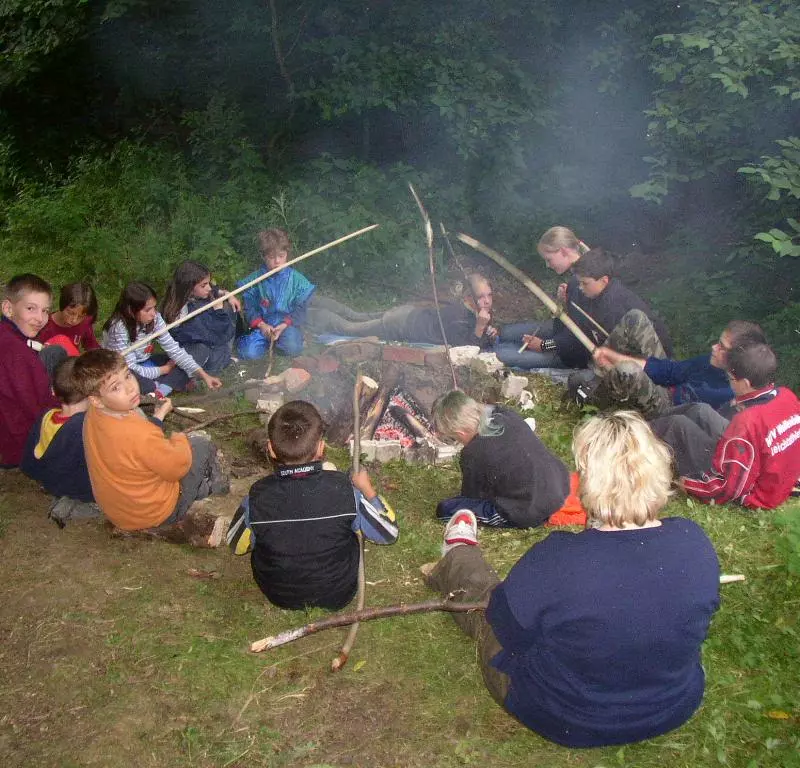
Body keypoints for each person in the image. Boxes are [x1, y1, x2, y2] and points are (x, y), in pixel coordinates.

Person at [423, 410, 720, 748]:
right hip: (671, 706)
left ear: (587, 481)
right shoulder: (695, 542)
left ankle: (459, 552)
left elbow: (506, 630)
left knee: (488, 605)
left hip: (565, 717)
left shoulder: (558, 557)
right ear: (658, 472)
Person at [233, 400, 398, 610]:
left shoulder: (257, 497)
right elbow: (388, 533)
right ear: (321, 448)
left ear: (271, 449)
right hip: (337, 593)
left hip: (279, 594)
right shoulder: (345, 491)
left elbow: (238, 546)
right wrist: (367, 490)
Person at [74, 349, 230, 544]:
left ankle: (199, 490)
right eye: (116, 387)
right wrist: (179, 438)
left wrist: (158, 419)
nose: (130, 388)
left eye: (128, 376)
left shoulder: (94, 416)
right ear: (96, 399)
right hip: (154, 513)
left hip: (120, 511)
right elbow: (178, 466)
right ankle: (217, 490)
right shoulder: (139, 434)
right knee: (200, 444)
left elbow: (136, 450)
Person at [651, 343, 800, 509]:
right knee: (701, 410)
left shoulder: (747, 422)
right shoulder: (786, 395)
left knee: (677, 425)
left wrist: (690, 485)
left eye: (731, 379)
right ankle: (644, 424)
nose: (729, 383)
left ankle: (630, 442)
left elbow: (729, 489)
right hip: (767, 466)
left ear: (745, 383)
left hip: (755, 488)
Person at [431, 390, 571, 528]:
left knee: (446, 509)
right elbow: (493, 408)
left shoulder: (472, 453)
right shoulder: (507, 415)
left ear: (460, 433)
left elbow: (473, 497)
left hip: (529, 510)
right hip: (560, 486)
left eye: (454, 437)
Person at [593, 320, 766, 416]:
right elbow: (671, 371)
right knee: (636, 320)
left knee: (628, 372)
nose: (714, 347)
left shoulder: (730, 394)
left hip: (669, 413)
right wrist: (612, 356)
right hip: (669, 390)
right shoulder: (713, 361)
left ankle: (592, 401)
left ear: (738, 358)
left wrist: (620, 367)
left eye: (722, 347)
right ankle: (599, 375)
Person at [305, 273, 498, 348]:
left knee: (356, 315)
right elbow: (468, 349)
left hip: (408, 313)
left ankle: (312, 300)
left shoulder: (468, 311)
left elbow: (476, 334)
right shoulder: (458, 317)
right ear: (468, 298)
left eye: (489, 295)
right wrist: (481, 327)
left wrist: (486, 330)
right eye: (481, 297)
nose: (487, 301)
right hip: (400, 325)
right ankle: (306, 313)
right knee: (349, 328)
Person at [102, 281, 223, 397]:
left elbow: (174, 350)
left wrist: (204, 375)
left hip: (148, 363)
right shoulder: (118, 328)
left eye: (154, 307)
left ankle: (161, 389)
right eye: (147, 310)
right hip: (123, 371)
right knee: (142, 383)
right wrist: (163, 370)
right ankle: (167, 386)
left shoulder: (155, 319)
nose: (153, 313)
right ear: (130, 311)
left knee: (196, 352)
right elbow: (129, 368)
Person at [19, 357, 99, 526]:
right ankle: (70, 506)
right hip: (72, 485)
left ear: (53, 391)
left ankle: (64, 498)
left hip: (48, 477)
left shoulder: (47, 415)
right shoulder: (84, 425)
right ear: (92, 394)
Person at [495, 226, 588, 369]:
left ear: (563, 251)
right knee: (506, 333)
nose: (547, 265)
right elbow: (576, 315)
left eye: (549, 259)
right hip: (560, 329)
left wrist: (544, 345)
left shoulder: (588, 279)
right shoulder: (578, 274)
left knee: (500, 355)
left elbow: (578, 337)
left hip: (569, 353)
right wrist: (566, 299)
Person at [0, 274, 62, 467]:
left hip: (14, 427)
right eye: (30, 309)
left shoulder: (8, 336)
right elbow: (35, 408)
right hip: (19, 443)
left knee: (54, 352)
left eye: (45, 311)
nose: (40, 318)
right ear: (8, 308)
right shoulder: (16, 352)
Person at [237, 228, 316, 359]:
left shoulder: (297, 280)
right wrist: (262, 325)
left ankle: (284, 340)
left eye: (281, 256)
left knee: (293, 348)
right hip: (262, 326)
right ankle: (266, 341)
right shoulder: (255, 280)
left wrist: (285, 324)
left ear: (287, 254)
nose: (277, 261)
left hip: (286, 325)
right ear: (263, 256)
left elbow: (300, 308)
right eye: (272, 257)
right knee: (248, 353)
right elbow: (249, 307)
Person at [161, 260, 240, 375]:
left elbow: (213, 290)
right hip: (195, 350)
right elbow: (217, 335)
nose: (208, 288)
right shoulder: (186, 313)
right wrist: (218, 310)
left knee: (228, 305)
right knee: (225, 310)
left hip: (203, 341)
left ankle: (225, 355)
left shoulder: (187, 293)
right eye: (204, 285)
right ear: (189, 287)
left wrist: (228, 294)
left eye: (208, 283)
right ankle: (222, 360)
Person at [38, 282, 101, 353]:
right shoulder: (45, 327)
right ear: (62, 304)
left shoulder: (85, 321)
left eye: (81, 316)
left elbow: (91, 344)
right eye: (70, 313)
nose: (74, 320)